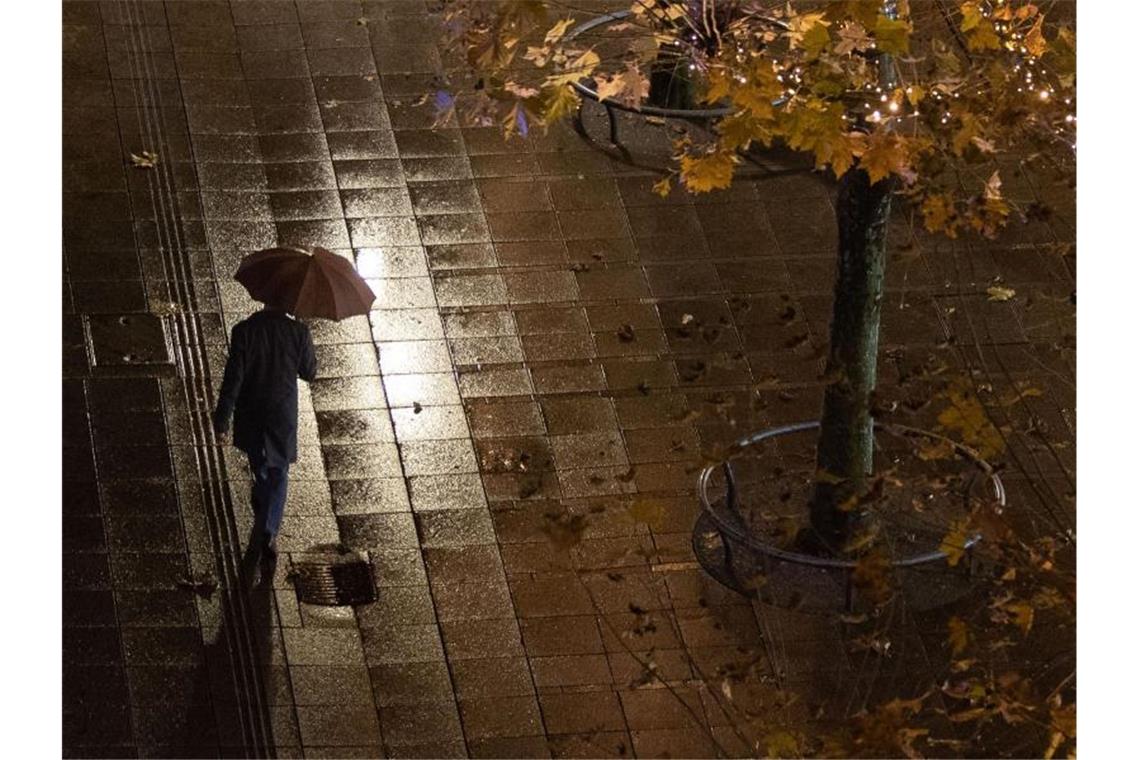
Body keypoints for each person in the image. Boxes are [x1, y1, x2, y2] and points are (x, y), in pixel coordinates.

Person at [213, 305, 317, 560]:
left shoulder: (245, 331)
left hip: (252, 412)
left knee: (259, 465)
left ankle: (262, 505)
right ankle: (268, 531)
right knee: (279, 472)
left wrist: (222, 418)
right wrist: (303, 334)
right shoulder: (298, 332)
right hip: (282, 414)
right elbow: (309, 372)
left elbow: (233, 378)